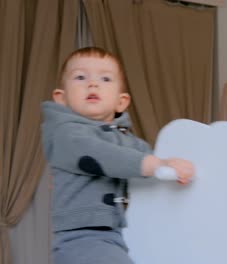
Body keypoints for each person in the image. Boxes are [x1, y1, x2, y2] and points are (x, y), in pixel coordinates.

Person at [41, 47, 194, 264]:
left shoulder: (125, 140)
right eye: (80, 77)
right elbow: (102, 155)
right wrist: (155, 164)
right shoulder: (65, 134)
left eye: (105, 78)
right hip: (81, 238)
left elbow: (146, 158)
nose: (92, 84)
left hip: (113, 235)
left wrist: (168, 165)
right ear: (61, 98)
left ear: (121, 102)